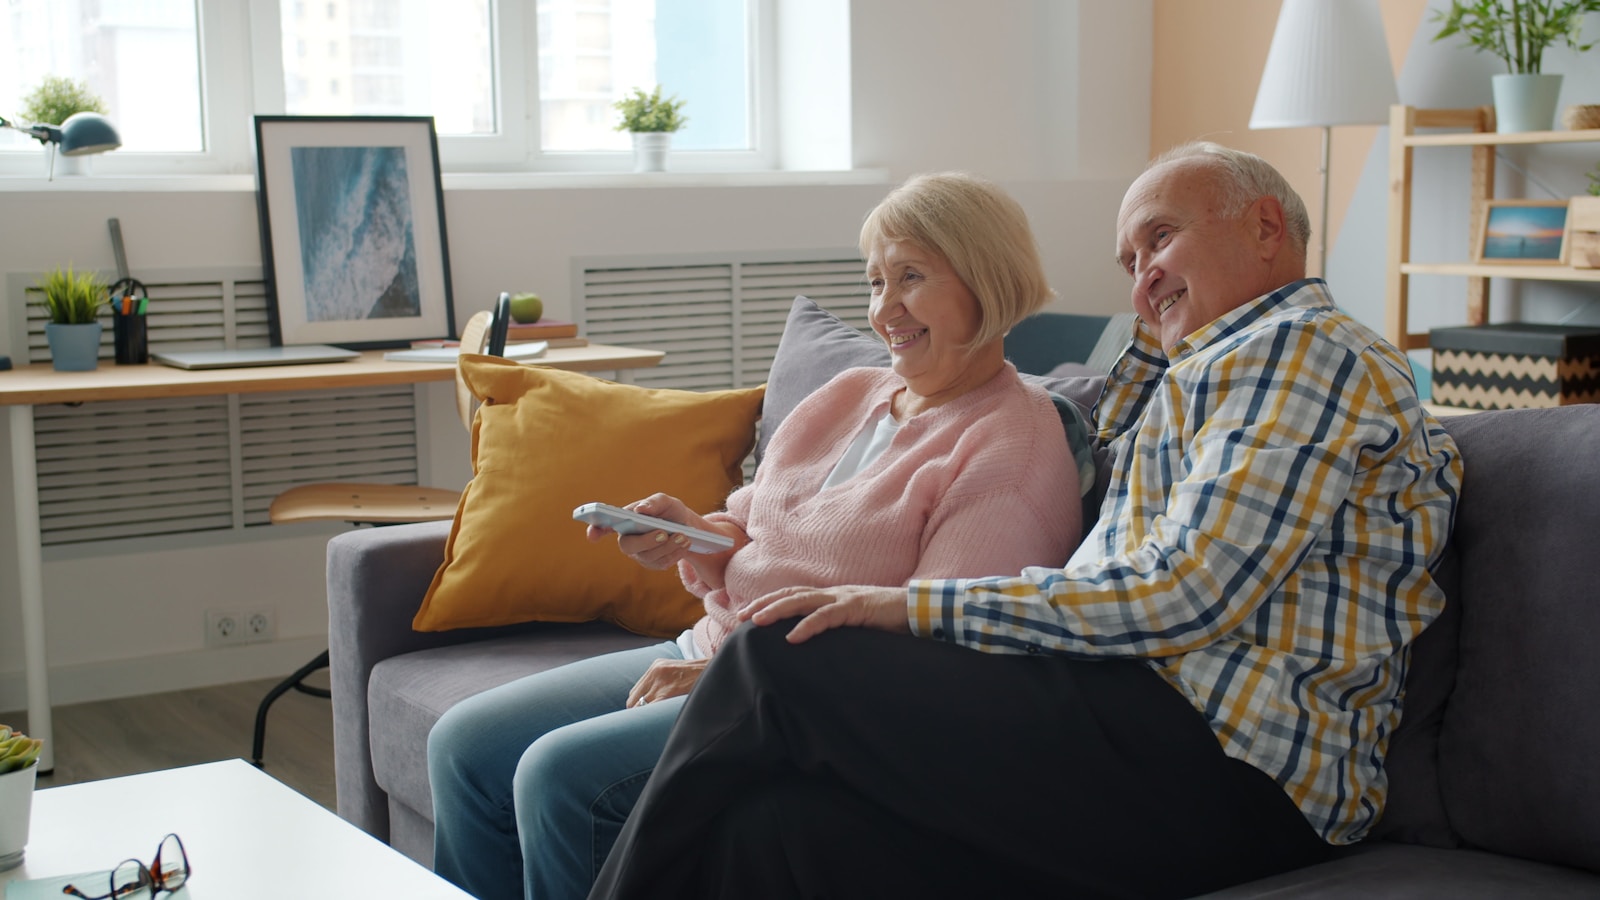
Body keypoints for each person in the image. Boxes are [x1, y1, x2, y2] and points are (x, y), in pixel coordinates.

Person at [586, 142, 1465, 900]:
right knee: (775, 831)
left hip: (1236, 765)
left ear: (1267, 229)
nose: (1142, 274)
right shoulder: (1197, 372)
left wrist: (905, 607)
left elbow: (1188, 593)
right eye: (1129, 260)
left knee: (777, 659)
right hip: (1120, 718)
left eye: (1162, 238)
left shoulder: (1300, 351)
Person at [427, 171, 1087, 900]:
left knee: (560, 778)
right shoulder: (855, 393)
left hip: (797, 704)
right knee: (463, 747)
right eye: (874, 282)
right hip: (717, 650)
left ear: (987, 281)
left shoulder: (1013, 448)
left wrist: (727, 680)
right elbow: (758, 519)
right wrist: (695, 534)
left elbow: (927, 648)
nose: (884, 308)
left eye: (911, 277)